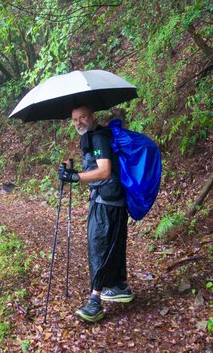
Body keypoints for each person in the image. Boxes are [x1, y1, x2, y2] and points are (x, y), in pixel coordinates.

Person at [57, 104, 134, 323]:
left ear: (92, 117)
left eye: (82, 118)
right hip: (112, 199)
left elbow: (105, 170)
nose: (78, 123)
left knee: (98, 245)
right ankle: (119, 286)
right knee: (112, 244)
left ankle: (94, 302)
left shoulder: (99, 138)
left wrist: (76, 177)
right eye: (74, 120)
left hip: (108, 202)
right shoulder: (96, 137)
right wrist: (72, 172)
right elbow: (97, 172)